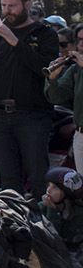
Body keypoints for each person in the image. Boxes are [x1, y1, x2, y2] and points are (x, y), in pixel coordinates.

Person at [0, 0, 61, 196]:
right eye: (3, 6)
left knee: (38, 174)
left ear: (27, 5)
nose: (7, 11)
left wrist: (15, 42)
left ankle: (43, 225)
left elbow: (44, 68)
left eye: (12, 6)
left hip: (32, 115)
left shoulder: (44, 33)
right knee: (8, 178)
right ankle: (14, 223)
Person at [44, 29, 83, 178]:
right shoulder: (75, 69)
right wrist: (53, 79)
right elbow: (57, 98)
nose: (81, 45)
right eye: (79, 40)